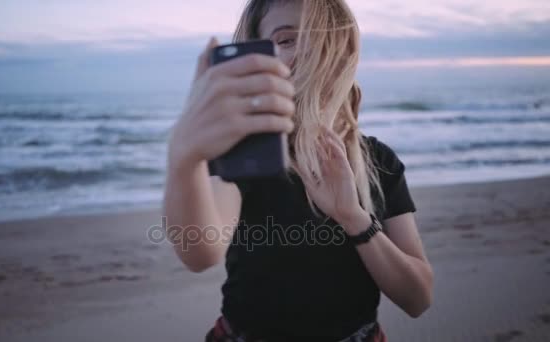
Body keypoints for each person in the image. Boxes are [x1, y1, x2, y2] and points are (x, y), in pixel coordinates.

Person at [163, 0, 433, 340]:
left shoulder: (378, 161)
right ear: (256, 54)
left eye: (320, 39)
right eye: (287, 39)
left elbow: (418, 298)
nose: (307, 53)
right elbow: (200, 252)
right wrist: (183, 158)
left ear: (342, 52)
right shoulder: (246, 155)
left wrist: (353, 217)